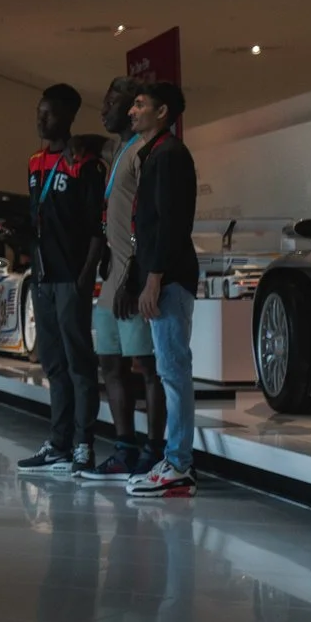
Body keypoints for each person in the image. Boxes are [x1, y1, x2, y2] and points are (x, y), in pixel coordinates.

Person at [17, 83, 104, 475]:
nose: (41, 118)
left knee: (79, 364)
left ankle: (84, 444)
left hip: (71, 277)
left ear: (68, 117)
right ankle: (59, 443)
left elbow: (95, 229)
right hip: (43, 276)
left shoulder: (84, 161)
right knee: (53, 364)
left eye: (49, 113)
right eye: (39, 111)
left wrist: (85, 276)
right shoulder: (36, 162)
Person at [79, 78, 160, 481]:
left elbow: (147, 219)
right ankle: (125, 447)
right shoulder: (117, 151)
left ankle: (155, 450)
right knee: (109, 364)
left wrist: (136, 277)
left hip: (133, 276)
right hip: (111, 279)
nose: (105, 109)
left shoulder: (145, 153)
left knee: (146, 365)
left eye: (113, 101)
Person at [123, 81, 199, 499]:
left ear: (163, 111)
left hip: (169, 279)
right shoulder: (156, 155)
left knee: (173, 371)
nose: (132, 112)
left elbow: (171, 224)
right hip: (164, 276)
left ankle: (179, 464)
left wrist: (154, 278)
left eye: (140, 105)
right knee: (170, 369)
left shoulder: (169, 155)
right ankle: (175, 460)